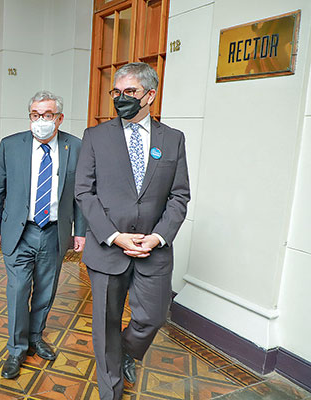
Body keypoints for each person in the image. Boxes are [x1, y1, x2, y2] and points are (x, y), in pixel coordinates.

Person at [75, 62, 190, 399]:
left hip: (153, 250)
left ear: (150, 95)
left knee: (152, 319)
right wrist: (113, 235)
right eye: (117, 92)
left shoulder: (173, 139)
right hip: (108, 248)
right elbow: (84, 191)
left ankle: (127, 351)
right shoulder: (95, 137)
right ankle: (110, 392)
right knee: (105, 326)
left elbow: (179, 195)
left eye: (130, 92)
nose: (121, 98)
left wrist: (157, 237)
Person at [0, 90, 87, 379]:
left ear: (59, 118)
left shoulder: (75, 147)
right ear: (29, 116)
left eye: (47, 115)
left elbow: (80, 196)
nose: (40, 120)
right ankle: (16, 349)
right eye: (35, 115)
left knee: (46, 290)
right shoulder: (10, 145)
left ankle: (35, 337)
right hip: (20, 231)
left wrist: (80, 232)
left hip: (55, 232)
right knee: (18, 291)